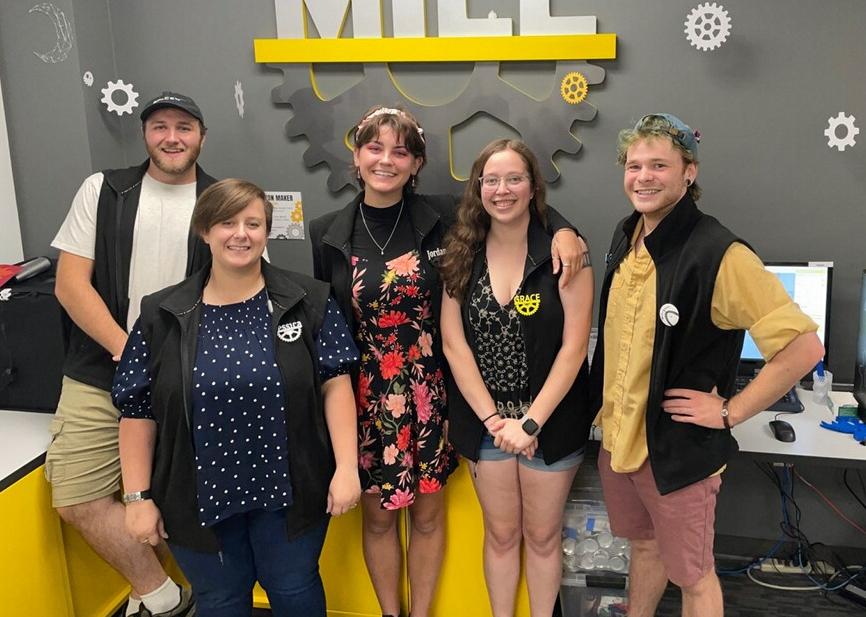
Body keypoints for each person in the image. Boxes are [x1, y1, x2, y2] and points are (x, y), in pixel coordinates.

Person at [309, 105, 582, 617]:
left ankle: (422, 612)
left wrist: (566, 230)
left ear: (417, 163)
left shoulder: (443, 218)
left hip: (433, 391)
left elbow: (512, 200)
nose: (385, 160)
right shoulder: (327, 232)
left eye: (400, 151)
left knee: (429, 517)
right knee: (380, 519)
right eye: (375, 148)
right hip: (367, 398)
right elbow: (330, 329)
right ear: (357, 156)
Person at [589, 113, 825, 617]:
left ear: (688, 172)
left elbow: (805, 347)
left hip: (676, 452)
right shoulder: (627, 234)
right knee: (645, 548)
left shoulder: (720, 253)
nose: (644, 177)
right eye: (634, 165)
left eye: (659, 165)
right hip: (620, 442)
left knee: (694, 578)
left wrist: (730, 412)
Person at [112, 179, 361, 617]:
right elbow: (137, 411)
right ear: (205, 230)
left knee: (295, 587)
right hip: (196, 496)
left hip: (291, 491)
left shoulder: (309, 301)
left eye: (253, 223)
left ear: (266, 232)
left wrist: (346, 468)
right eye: (227, 222)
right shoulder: (161, 315)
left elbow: (336, 383)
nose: (241, 234)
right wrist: (137, 498)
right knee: (221, 600)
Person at [46, 91, 217, 617]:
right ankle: (161, 595)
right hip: (100, 372)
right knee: (75, 495)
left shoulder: (221, 199)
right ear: (144, 134)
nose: (172, 137)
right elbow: (71, 285)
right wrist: (127, 351)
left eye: (184, 127)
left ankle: (172, 596)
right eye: (160, 126)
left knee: (175, 501)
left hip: (186, 379)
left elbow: (241, 290)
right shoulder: (103, 191)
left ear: (201, 137)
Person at [439, 138, 595, 617]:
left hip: (551, 423)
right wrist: (494, 421)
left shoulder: (566, 253)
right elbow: (453, 344)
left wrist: (529, 424)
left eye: (514, 179)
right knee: (502, 536)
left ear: (533, 187)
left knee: (543, 537)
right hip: (487, 426)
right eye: (491, 179)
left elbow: (574, 348)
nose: (502, 189)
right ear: (477, 188)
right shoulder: (461, 251)